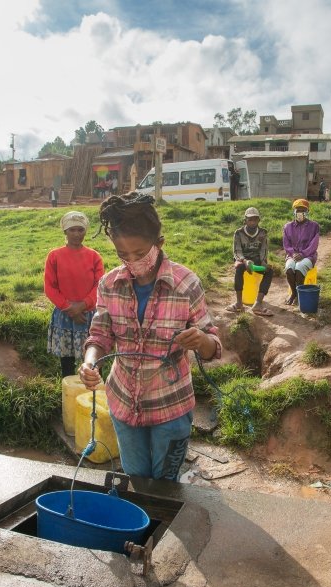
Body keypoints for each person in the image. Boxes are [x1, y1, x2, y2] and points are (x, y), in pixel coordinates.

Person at [79, 193, 221, 481]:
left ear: (159, 244)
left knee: (165, 487)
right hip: (123, 403)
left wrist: (200, 341)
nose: (132, 262)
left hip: (170, 406)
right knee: (137, 482)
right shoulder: (109, 284)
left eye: (140, 253)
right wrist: (90, 363)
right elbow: (99, 335)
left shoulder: (185, 284)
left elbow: (212, 347)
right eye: (122, 255)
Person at [44, 211, 105, 377]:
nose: (77, 234)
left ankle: (95, 396)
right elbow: (50, 287)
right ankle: (69, 396)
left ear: (85, 231)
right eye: (72, 230)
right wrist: (70, 308)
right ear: (65, 231)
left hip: (89, 316)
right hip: (65, 316)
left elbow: (99, 286)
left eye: (80, 230)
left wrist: (83, 305)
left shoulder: (94, 257)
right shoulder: (54, 256)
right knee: (67, 361)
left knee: (94, 361)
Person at [227, 206, 274, 317]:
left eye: (255, 219)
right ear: (245, 220)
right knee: (238, 268)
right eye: (250, 219)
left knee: (270, 271)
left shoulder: (263, 233)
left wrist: (263, 263)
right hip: (243, 260)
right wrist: (245, 261)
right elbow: (237, 251)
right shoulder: (238, 233)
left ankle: (258, 304)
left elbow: (263, 250)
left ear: (259, 220)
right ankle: (239, 303)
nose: (253, 222)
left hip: (257, 260)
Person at [282, 199, 320, 306]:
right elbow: (286, 244)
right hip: (292, 255)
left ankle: (300, 295)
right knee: (289, 268)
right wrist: (293, 253)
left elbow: (314, 245)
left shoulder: (314, 226)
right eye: (298, 210)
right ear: (294, 212)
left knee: (299, 268)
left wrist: (303, 254)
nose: (300, 213)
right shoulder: (287, 227)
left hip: (308, 255)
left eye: (303, 210)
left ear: (307, 211)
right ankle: (294, 293)